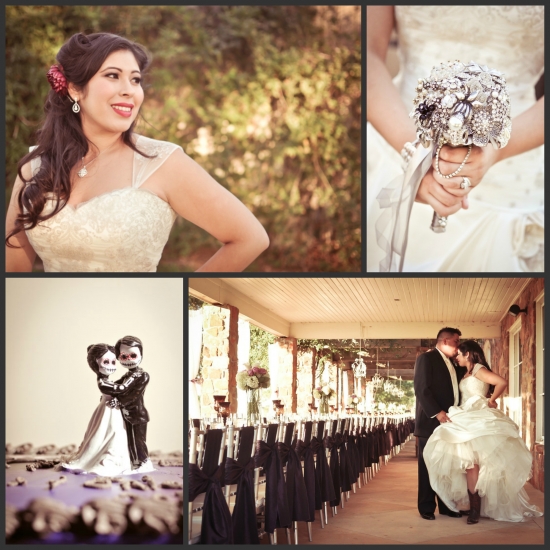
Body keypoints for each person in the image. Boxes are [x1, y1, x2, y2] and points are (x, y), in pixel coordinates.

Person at [5, 32, 269, 272]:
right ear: (75, 89)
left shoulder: (163, 162)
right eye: (112, 75)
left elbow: (250, 239)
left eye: (135, 80)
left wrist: (181, 296)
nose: (129, 90)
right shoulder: (35, 166)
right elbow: (13, 272)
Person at [367, 6, 544, 272]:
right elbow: (366, 53)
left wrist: (497, 149)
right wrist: (416, 158)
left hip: (514, 166)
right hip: (396, 135)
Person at [424, 340, 543, 523]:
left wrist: (491, 400)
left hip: (478, 417)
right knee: (470, 464)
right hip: (465, 417)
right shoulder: (466, 373)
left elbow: (501, 382)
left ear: (468, 354)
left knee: (475, 465)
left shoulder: (478, 369)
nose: (456, 357)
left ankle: (475, 510)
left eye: (459, 354)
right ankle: (474, 507)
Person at [413, 327, 466, 520]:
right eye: (456, 341)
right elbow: (421, 389)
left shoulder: (453, 363)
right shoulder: (426, 359)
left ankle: (446, 506)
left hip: (451, 423)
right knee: (428, 465)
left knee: (447, 466)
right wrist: (437, 413)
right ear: (444, 341)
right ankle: (426, 507)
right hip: (431, 422)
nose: (458, 345)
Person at [61, 343, 132, 476]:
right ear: (95, 363)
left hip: (112, 410)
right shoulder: (102, 382)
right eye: (106, 362)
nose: (111, 366)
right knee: (110, 433)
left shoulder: (108, 381)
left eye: (113, 362)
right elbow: (120, 389)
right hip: (107, 411)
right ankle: (104, 459)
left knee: (117, 433)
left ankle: (117, 460)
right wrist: (130, 380)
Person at [98, 335, 153, 474]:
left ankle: (143, 462)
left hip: (137, 415)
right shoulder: (128, 375)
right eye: (124, 356)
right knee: (129, 442)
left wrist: (119, 401)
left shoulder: (142, 375)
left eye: (133, 355)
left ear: (141, 355)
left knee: (138, 442)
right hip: (126, 414)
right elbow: (118, 384)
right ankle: (133, 463)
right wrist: (107, 393)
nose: (128, 360)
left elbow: (134, 394)